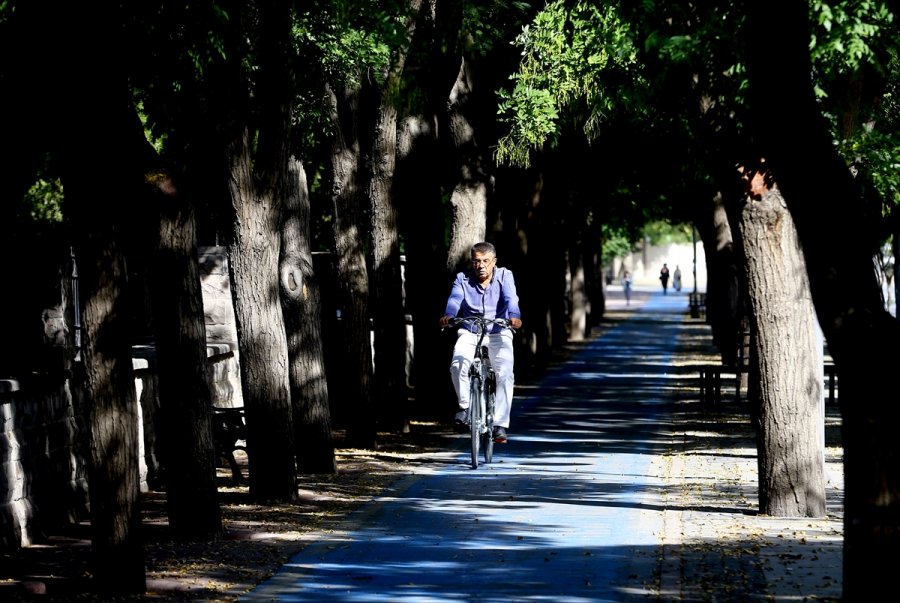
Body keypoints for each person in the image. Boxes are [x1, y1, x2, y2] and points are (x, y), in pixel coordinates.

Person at [439, 242, 522, 443]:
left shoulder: (505, 276)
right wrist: (449, 315)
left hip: (499, 331)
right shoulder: (463, 279)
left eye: (485, 261)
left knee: (504, 373)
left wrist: (514, 316)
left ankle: (500, 425)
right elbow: (455, 299)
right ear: (472, 262)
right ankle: (466, 407)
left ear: (494, 262)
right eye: (477, 261)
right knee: (457, 365)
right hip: (470, 330)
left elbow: (511, 298)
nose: (481, 265)